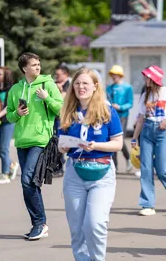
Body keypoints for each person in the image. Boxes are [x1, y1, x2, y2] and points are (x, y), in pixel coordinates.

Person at [58, 68, 123, 261]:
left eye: (85, 83)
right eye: (77, 83)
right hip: (75, 173)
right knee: (77, 228)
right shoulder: (68, 111)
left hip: (101, 173)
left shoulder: (107, 110)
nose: (80, 87)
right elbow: (62, 142)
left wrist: (96, 145)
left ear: (95, 86)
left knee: (95, 223)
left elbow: (118, 144)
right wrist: (63, 146)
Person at [6, 52, 63, 240]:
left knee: (27, 179)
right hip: (22, 140)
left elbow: (61, 109)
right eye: (33, 65)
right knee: (30, 183)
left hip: (41, 140)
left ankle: (39, 223)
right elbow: (9, 116)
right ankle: (39, 224)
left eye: (39, 64)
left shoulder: (48, 84)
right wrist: (18, 113)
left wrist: (46, 97)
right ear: (24, 68)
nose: (38, 67)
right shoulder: (15, 89)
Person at [131, 65, 166, 216]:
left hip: (162, 132)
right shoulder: (145, 95)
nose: (145, 79)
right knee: (146, 169)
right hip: (147, 130)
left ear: (154, 79)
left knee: (162, 170)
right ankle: (147, 204)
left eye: (147, 77)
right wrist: (134, 137)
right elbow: (140, 118)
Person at [106, 65, 134, 172]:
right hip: (110, 116)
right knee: (111, 139)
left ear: (120, 75)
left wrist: (121, 107)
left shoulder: (127, 87)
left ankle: (128, 159)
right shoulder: (109, 88)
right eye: (112, 74)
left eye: (116, 74)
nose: (114, 77)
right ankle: (114, 166)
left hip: (122, 116)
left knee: (119, 139)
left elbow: (130, 103)